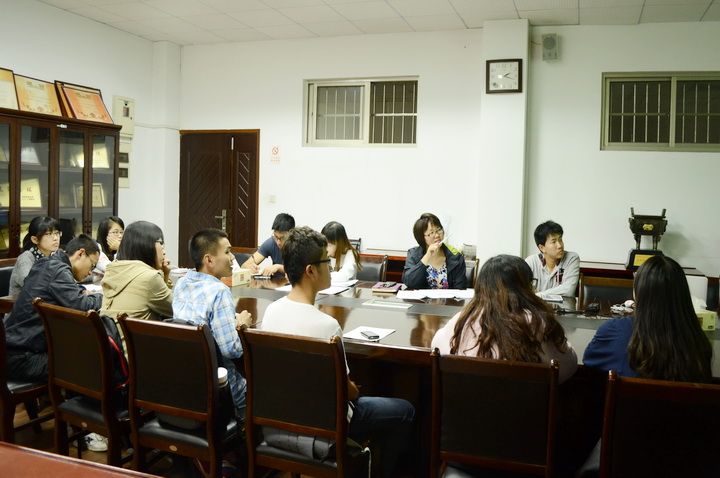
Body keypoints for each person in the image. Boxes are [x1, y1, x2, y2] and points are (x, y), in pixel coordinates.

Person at [260, 227, 415, 478]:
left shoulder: (271, 312)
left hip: (281, 419)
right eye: (326, 261)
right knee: (405, 410)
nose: (331, 267)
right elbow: (347, 392)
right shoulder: (327, 326)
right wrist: (354, 387)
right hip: (325, 423)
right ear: (311, 271)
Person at [431, 254, 578, 383]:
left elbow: (436, 346)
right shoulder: (536, 323)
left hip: (463, 405)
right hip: (524, 406)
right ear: (525, 288)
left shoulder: (461, 320)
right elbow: (566, 369)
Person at [583, 255, 712, 382]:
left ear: (637, 292)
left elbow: (589, 362)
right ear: (683, 294)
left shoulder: (614, 330)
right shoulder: (698, 341)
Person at [173, 228, 253, 415]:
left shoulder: (181, 283)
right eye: (227, 252)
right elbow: (231, 349)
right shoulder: (219, 291)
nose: (232, 258)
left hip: (188, 383)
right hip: (223, 390)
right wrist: (242, 325)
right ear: (209, 260)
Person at [4, 234, 101, 382]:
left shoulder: (46, 263)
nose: (90, 272)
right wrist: (104, 297)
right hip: (22, 358)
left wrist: (81, 293)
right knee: (89, 361)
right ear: (81, 254)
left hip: (11, 350)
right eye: (92, 265)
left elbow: (70, 295)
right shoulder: (58, 271)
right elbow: (83, 306)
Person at [100, 220, 173, 325]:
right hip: (136, 336)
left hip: (111, 334)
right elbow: (175, 310)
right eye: (160, 243)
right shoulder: (150, 278)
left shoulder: (113, 269)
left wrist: (165, 275)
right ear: (146, 246)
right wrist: (165, 275)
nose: (164, 251)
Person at [402, 213, 467, 289]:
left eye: (439, 230)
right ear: (421, 237)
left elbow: (460, 289)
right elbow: (409, 282)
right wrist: (427, 257)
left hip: (449, 297)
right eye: (431, 233)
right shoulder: (413, 254)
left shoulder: (456, 257)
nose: (437, 235)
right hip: (422, 297)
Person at [8, 216, 62, 296]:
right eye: (49, 234)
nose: (55, 238)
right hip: (24, 302)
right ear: (35, 239)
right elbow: (31, 285)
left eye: (57, 233)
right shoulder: (26, 258)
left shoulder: (56, 256)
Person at [525, 220, 580, 297]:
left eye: (560, 240)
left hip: (563, 305)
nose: (560, 245)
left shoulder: (571, 259)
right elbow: (520, 289)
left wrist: (538, 295)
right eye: (554, 242)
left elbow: (568, 290)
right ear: (542, 247)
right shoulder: (531, 262)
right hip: (537, 305)